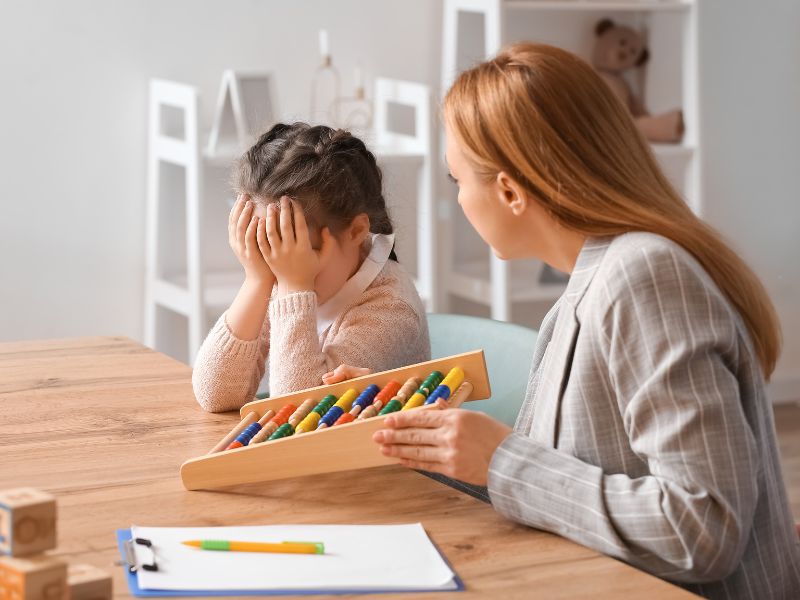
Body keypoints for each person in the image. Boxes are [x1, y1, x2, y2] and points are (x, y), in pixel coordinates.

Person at [365, 43, 800, 598]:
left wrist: (501, 458)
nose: (459, 201)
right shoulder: (589, 284)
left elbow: (704, 529)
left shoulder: (643, 277)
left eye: (457, 181)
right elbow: (554, 491)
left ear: (509, 191)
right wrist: (418, 435)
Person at [192, 123, 430, 412]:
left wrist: (295, 286)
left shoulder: (391, 310)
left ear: (356, 232)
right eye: (265, 247)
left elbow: (301, 413)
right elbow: (214, 393)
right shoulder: (282, 272)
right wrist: (256, 281)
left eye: (299, 252)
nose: (278, 268)